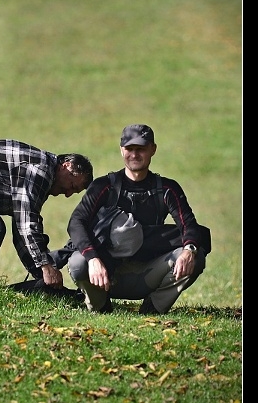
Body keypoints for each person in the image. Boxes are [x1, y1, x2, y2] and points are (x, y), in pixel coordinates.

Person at [51, 124, 207, 314]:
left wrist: (189, 250)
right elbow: (76, 222)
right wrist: (93, 259)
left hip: (148, 274)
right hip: (105, 274)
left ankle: (153, 308)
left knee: (195, 257)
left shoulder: (167, 189)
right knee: (78, 262)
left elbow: (188, 225)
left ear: (153, 149)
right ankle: (100, 306)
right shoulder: (104, 186)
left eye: (141, 149)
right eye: (129, 149)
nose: (134, 154)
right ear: (121, 150)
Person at [0, 139, 93, 287]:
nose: (68, 194)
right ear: (66, 166)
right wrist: (46, 266)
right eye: (72, 186)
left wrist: (40, 273)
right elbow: (26, 223)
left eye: (74, 192)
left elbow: (21, 229)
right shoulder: (40, 170)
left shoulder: (45, 176)